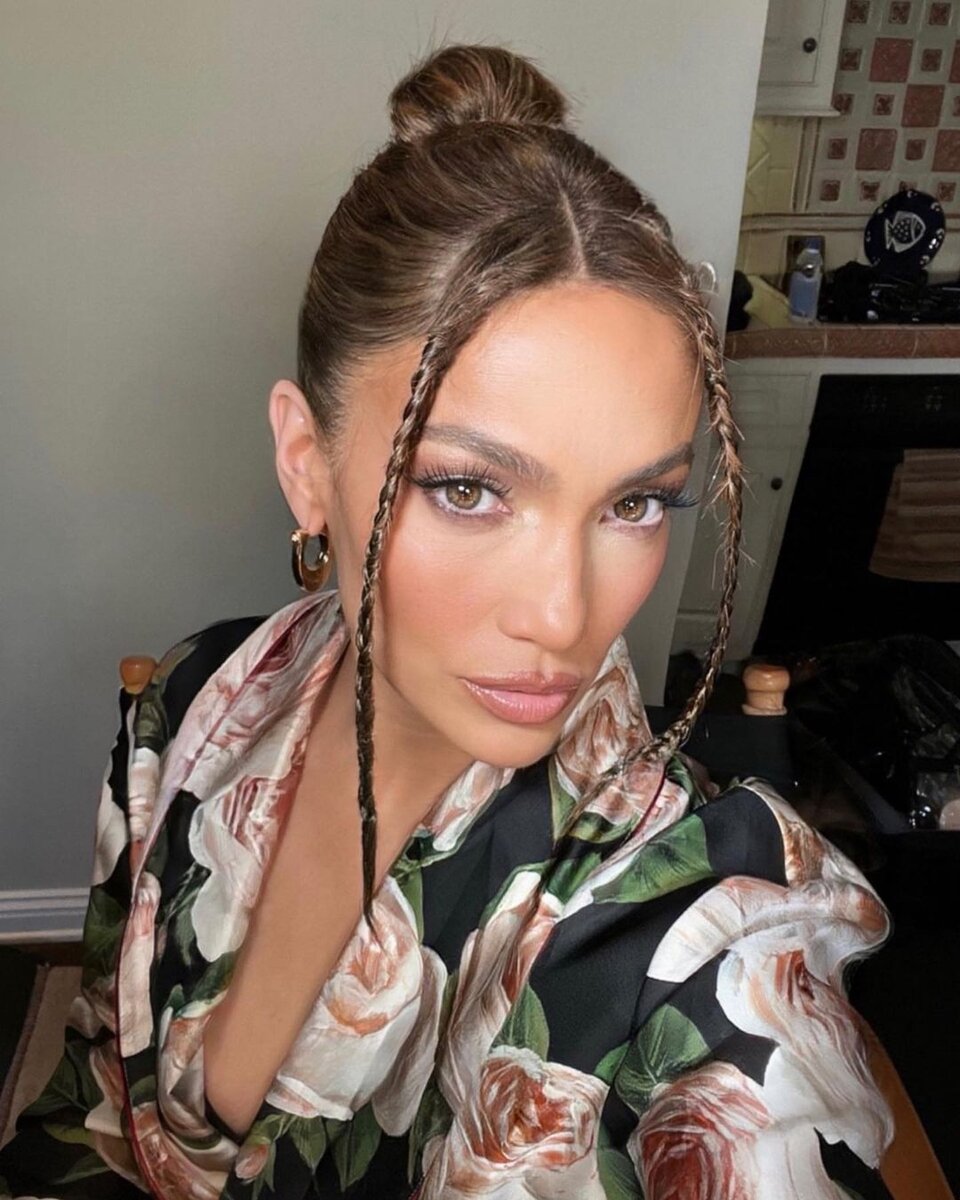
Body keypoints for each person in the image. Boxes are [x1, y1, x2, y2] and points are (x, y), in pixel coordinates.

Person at [0, 44, 895, 1200]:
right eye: (469, 488)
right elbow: (94, 1101)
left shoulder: (691, 926)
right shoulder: (190, 702)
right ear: (305, 463)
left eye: (634, 504)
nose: (565, 614)